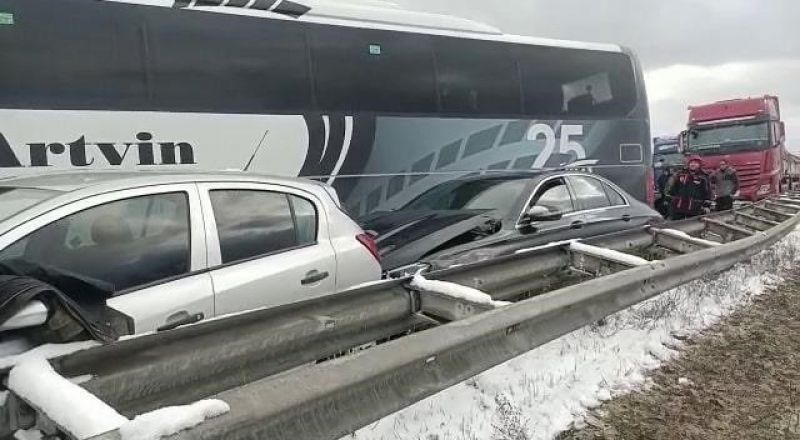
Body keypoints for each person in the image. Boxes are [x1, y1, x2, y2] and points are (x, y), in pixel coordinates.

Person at [664, 155, 712, 220]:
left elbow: (708, 192)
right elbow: (673, 188)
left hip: (695, 208)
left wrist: (706, 206)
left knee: (694, 227)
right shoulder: (681, 174)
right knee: (677, 227)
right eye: (691, 162)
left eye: (695, 163)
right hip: (679, 207)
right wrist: (668, 199)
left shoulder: (703, 177)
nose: (693, 164)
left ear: (699, 164)